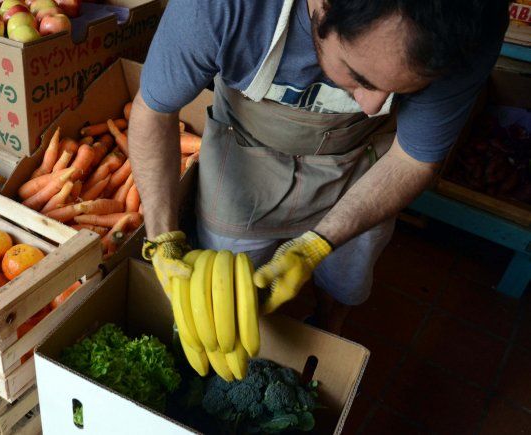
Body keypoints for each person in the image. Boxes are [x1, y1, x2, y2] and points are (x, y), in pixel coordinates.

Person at [132, 0, 509, 334]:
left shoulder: (472, 24)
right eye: (359, 77)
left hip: (364, 165)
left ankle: (329, 325)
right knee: (228, 292)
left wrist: (318, 244)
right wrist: (162, 238)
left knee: (346, 281)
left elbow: (412, 158)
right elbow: (153, 112)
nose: (372, 105)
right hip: (245, 161)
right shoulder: (220, 7)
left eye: (399, 92)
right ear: (323, 6)